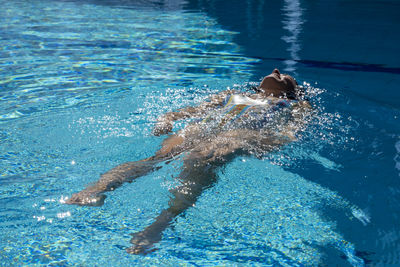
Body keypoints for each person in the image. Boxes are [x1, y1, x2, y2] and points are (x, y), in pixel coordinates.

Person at [66, 69, 312, 254]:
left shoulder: (297, 105)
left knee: (200, 160)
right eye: (275, 71)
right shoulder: (233, 94)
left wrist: (259, 144)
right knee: (157, 159)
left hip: (236, 135)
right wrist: (168, 118)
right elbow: (191, 111)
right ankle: (94, 191)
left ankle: (158, 226)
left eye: (286, 75)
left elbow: (291, 134)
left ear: (292, 90)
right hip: (203, 128)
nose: (277, 71)